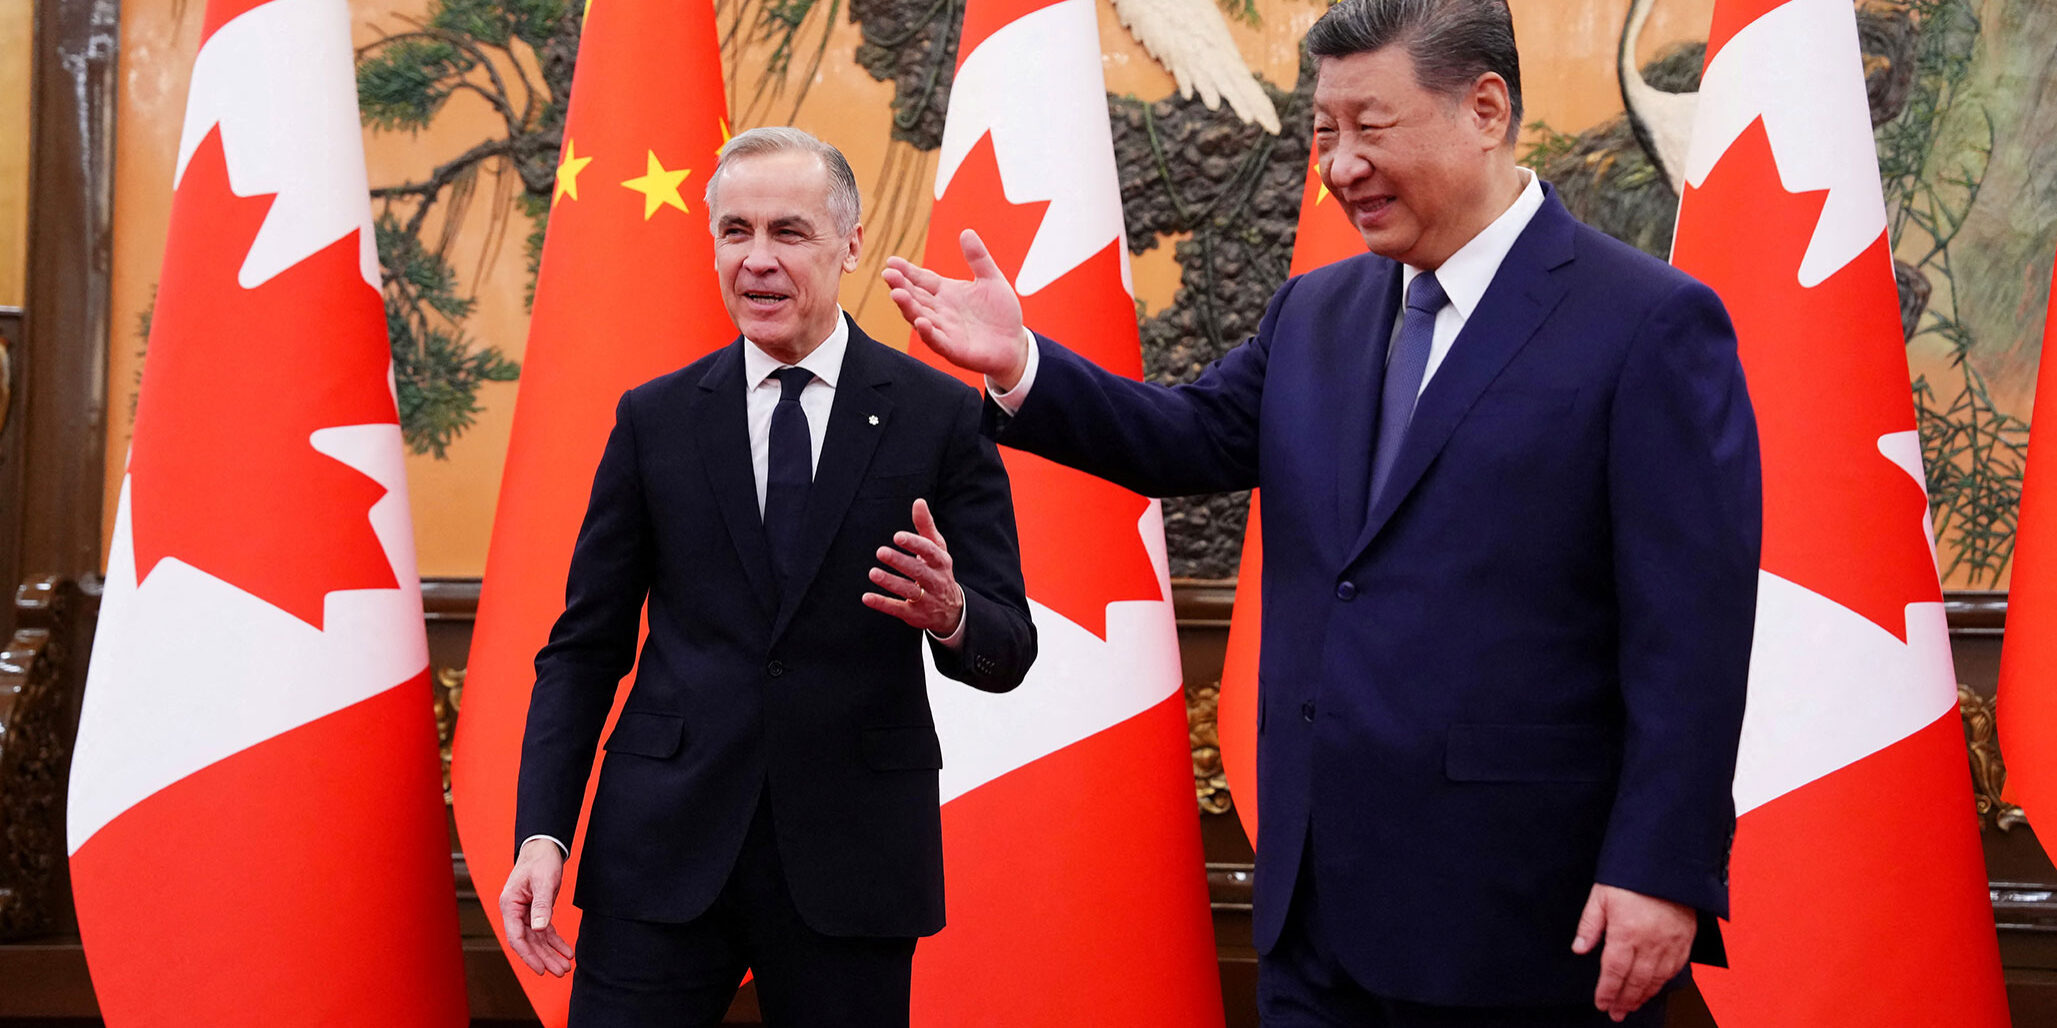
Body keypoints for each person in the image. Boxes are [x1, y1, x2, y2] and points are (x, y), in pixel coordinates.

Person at [884, 0, 1760, 1023]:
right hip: (1316, 915)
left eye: (1368, 127)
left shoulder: (1646, 323)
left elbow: (1689, 634)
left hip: (1523, 916)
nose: (1340, 165)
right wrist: (1021, 364)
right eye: (1323, 132)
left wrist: (1659, 869)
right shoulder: (1317, 309)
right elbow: (1186, 436)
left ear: (1484, 109)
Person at [501, 126, 1037, 1027]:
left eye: (788, 231)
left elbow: (1007, 647)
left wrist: (951, 613)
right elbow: (584, 649)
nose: (756, 259)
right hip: (660, 850)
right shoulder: (654, 418)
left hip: (852, 859)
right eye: (734, 232)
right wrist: (542, 831)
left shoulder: (938, 417)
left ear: (850, 244)